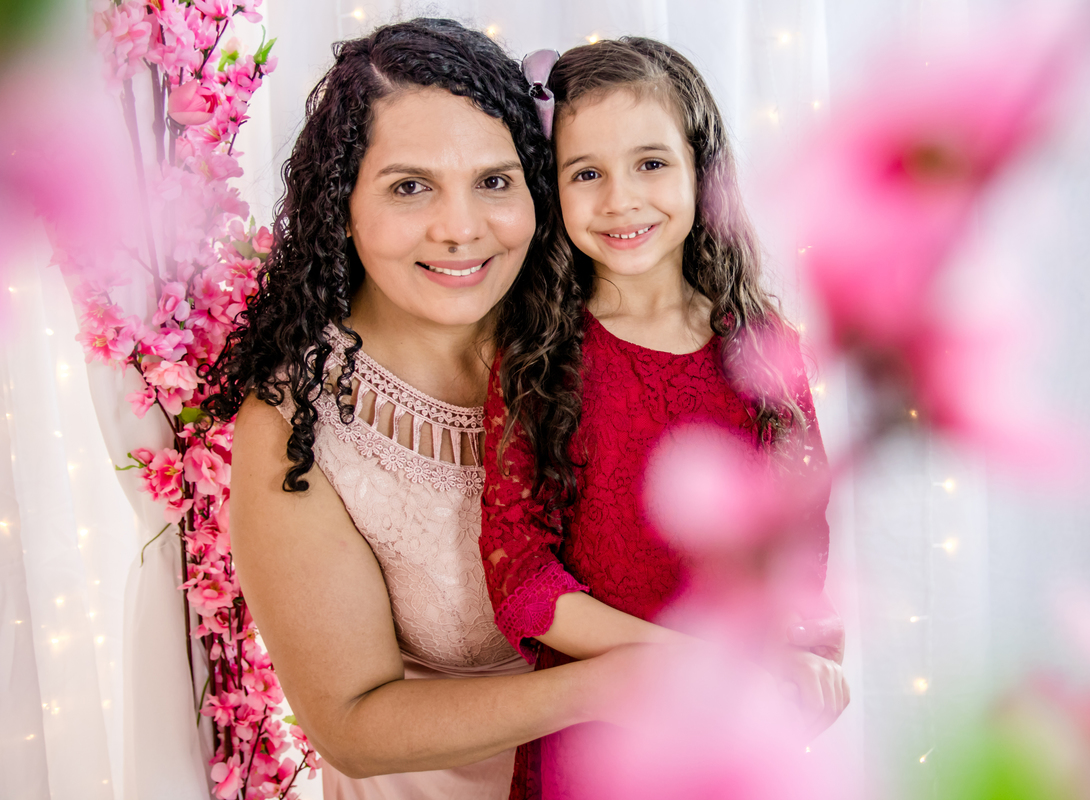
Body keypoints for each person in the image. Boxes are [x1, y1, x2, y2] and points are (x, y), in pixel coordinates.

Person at [207, 19, 645, 800]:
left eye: (494, 180)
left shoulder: (607, 335)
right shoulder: (296, 426)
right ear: (341, 204)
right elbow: (350, 724)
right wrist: (611, 685)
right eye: (410, 186)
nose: (460, 228)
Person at [482, 37, 850, 798]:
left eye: (650, 163)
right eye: (586, 173)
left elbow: (800, 537)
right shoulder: (538, 357)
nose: (621, 199)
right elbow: (523, 581)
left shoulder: (764, 348)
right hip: (601, 732)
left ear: (699, 171)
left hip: (739, 725)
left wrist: (803, 660)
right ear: (553, 190)